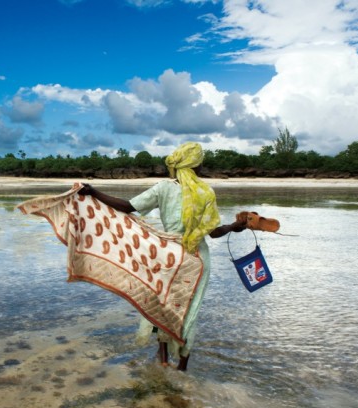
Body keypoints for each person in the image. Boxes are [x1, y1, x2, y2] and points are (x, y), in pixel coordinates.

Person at [78, 142, 245, 371]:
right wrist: (234, 226)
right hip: (196, 258)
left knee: (161, 304)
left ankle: (164, 358)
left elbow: (127, 207)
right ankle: (182, 366)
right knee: (189, 311)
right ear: (197, 165)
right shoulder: (205, 192)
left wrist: (93, 192)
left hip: (167, 256)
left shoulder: (164, 188)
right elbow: (214, 233)